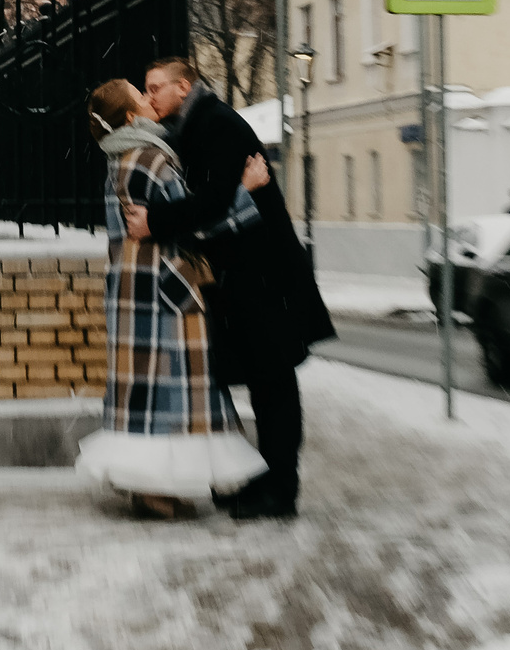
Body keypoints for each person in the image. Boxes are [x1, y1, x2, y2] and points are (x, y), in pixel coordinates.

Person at [124, 56, 334, 522]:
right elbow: (213, 202)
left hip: (265, 278)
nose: (150, 96)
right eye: (146, 88)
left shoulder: (214, 124)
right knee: (266, 382)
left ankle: (280, 490)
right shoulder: (195, 126)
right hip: (252, 278)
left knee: (273, 384)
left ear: (183, 87)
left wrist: (155, 221)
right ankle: (270, 479)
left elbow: (213, 203)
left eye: (156, 87)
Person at [75, 78, 270, 519]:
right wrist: (246, 190)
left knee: (141, 392)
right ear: (132, 117)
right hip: (167, 291)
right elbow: (193, 224)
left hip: (131, 291)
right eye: (141, 96)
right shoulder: (151, 158)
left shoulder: (117, 160)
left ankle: (149, 485)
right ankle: (153, 489)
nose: (150, 100)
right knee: (176, 394)